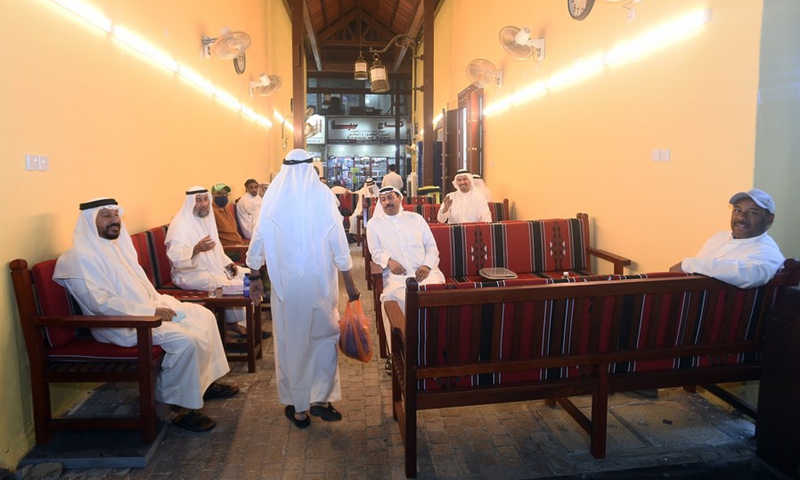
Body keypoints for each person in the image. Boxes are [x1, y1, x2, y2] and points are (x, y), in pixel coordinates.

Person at [53, 198, 237, 432]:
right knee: (185, 340)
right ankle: (165, 404)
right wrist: (150, 311)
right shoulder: (78, 259)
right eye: (106, 216)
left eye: (115, 215)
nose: (114, 220)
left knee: (204, 317)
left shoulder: (117, 248)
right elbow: (100, 304)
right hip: (120, 324)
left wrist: (157, 305)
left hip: (147, 310)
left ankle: (202, 384)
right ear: (89, 221)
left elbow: (142, 288)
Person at [246, 149, 360, 429]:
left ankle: (300, 409)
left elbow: (258, 238)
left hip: (287, 289)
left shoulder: (273, 198)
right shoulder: (323, 195)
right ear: (311, 168)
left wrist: (255, 275)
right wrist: (349, 283)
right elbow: (338, 240)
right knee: (324, 337)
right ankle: (321, 399)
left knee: (294, 344)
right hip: (319, 285)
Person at [165, 187, 269, 339]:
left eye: (205, 199)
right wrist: (196, 249)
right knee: (227, 284)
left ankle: (248, 323)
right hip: (190, 274)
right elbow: (175, 257)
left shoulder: (205, 219)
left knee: (246, 276)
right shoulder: (180, 225)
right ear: (190, 202)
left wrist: (229, 265)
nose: (203, 204)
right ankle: (234, 325)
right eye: (198, 200)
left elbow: (217, 251)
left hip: (212, 268)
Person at [367, 186, 445, 361]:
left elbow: (431, 246)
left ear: (399, 198)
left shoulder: (416, 219)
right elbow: (375, 252)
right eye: (383, 199)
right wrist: (389, 261)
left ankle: (435, 347)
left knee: (436, 293)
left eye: (390, 197)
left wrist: (426, 265)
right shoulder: (374, 224)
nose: (387, 202)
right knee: (391, 298)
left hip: (425, 273)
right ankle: (396, 353)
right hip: (396, 276)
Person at [670, 188, 785, 288]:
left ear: (769, 219)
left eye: (751, 213)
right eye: (737, 210)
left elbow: (752, 275)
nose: (741, 217)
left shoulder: (768, 251)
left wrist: (690, 264)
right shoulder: (720, 237)